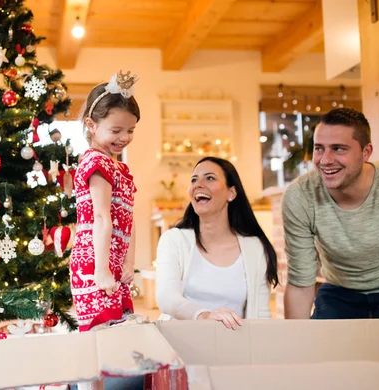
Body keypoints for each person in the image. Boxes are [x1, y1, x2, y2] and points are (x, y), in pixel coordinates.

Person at [282, 107, 379, 319]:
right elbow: (300, 283)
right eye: (319, 148)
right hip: (339, 291)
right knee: (321, 350)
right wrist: (295, 346)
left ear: (366, 152)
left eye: (338, 149)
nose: (325, 160)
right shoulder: (300, 196)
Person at [155, 157, 278, 329]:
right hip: (179, 344)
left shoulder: (255, 248)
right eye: (194, 180)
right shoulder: (174, 240)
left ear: (231, 193)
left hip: (233, 348)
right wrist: (204, 316)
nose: (198, 184)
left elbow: (262, 316)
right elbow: (167, 298)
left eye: (210, 178)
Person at [70, 71, 140, 332]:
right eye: (116, 130)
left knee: (120, 328)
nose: (124, 137)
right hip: (95, 260)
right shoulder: (96, 162)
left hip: (114, 261)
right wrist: (101, 270)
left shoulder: (120, 168)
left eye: (130, 130)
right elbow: (100, 218)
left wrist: (128, 263)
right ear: (91, 125)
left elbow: (130, 219)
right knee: (102, 332)